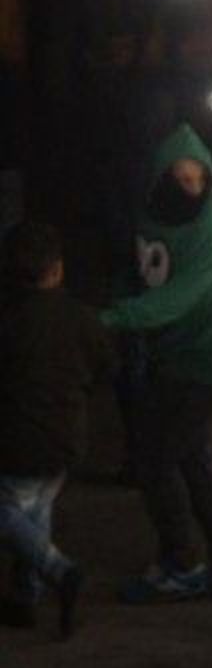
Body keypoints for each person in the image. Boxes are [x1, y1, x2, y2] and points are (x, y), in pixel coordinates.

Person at [102, 123, 212, 602]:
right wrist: (122, 302)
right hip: (167, 359)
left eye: (199, 181)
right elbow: (136, 272)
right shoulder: (148, 216)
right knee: (192, 463)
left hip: (204, 363)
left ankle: (182, 562)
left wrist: (111, 318)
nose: (191, 190)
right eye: (183, 179)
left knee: (156, 461)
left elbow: (176, 300)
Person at [0, 222, 117, 636]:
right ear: (57, 269)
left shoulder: (10, 321)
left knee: (11, 512)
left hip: (18, 440)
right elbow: (106, 368)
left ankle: (60, 571)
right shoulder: (82, 318)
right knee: (36, 509)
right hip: (67, 436)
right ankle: (26, 596)